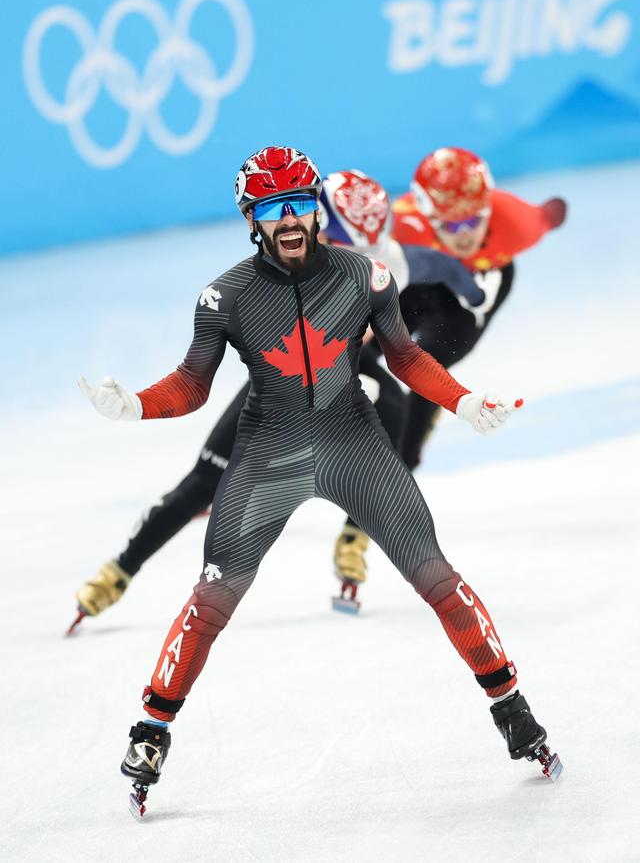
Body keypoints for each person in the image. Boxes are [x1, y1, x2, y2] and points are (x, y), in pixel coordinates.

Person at [79, 146, 559, 810]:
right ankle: (151, 731)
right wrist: (137, 405)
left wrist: (464, 400)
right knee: (211, 600)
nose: (289, 219)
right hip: (267, 452)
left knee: (437, 577)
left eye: (299, 204)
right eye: (273, 208)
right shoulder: (225, 295)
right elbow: (192, 384)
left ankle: (513, 709)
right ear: (252, 218)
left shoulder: (368, 275)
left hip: (353, 443)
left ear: (316, 210)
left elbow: (406, 357)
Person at [72, 170, 485, 625]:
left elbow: (438, 266)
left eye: (367, 250)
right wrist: (138, 405)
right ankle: (120, 569)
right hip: (282, 382)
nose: (355, 262)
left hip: (346, 369)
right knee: (204, 483)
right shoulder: (273, 268)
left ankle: (355, 534)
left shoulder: (386, 264)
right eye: (344, 247)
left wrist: (473, 291)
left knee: (395, 409)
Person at [336, 147, 568, 583]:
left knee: (429, 371)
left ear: (488, 207)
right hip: (424, 277)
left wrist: (553, 210)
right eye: (450, 225)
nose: (463, 235)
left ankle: (363, 519)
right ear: (426, 214)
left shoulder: (517, 222)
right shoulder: (403, 221)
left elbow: (551, 214)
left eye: (472, 221)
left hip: (472, 295)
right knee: (358, 346)